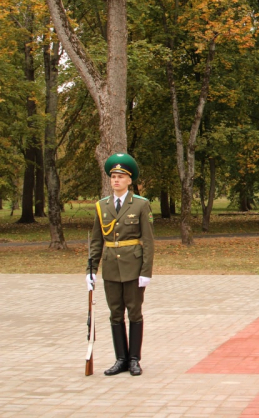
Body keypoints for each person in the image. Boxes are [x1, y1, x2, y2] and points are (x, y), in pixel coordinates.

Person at [86, 153, 155, 376]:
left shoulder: (141, 205)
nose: (115, 180)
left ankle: (134, 358)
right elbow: (97, 241)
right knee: (115, 313)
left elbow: (148, 241)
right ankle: (120, 359)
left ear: (129, 180)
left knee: (134, 312)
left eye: (120, 177)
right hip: (110, 268)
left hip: (133, 267)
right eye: (113, 176)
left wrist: (146, 271)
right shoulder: (101, 206)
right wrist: (91, 271)